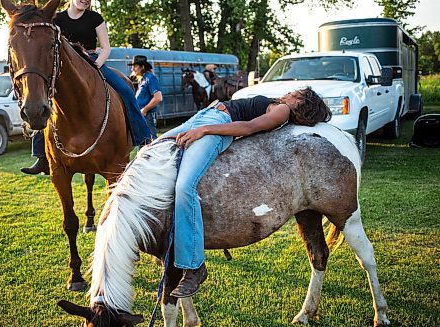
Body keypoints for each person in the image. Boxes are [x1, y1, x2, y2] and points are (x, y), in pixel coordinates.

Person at [159, 87, 332, 298]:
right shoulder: (277, 102)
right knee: (148, 150)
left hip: (216, 124)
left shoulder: (283, 110)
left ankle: (194, 266)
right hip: (205, 116)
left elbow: (249, 128)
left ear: (300, 103)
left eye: (296, 93)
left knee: (185, 186)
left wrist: (205, 130)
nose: (290, 92)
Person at [21, 0, 153, 175]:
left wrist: (97, 63)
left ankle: (143, 138)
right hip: (63, 66)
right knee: (42, 99)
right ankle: (42, 156)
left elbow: (106, 47)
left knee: (126, 90)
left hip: (92, 61)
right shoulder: (56, 18)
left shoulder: (95, 18)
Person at [129, 55, 163, 138]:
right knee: (142, 141)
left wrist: (144, 110)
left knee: (149, 142)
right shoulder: (142, 79)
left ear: (142, 67)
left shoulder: (150, 78)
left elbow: (158, 98)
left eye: (135, 66)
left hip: (148, 116)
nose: (132, 69)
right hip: (142, 116)